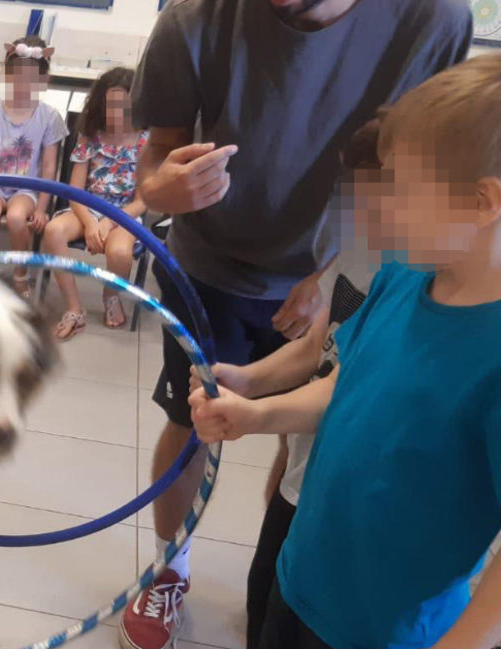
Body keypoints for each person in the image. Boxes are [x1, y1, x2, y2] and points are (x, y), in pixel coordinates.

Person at [120, 0, 472, 646]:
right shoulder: (194, 17)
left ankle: (281, 574)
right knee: (191, 424)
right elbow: (155, 159)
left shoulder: (435, 20)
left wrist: (340, 268)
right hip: (210, 270)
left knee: (306, 452)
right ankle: (173, 568)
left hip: (351, 266)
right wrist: (161, 190)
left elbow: (419, 170)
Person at [189, 54, 501, 649]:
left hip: (384, 632)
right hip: (302, 573)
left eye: (403, 190)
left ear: (482, 203)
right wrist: (256, 414)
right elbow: (344, 382)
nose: (381, 209)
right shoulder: (402, 276)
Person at [188, 112, 387, 649]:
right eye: (351, 190)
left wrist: (256, 416)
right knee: (266, 599)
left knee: (307, 625)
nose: (352, 206)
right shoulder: (360, 253)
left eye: (374, 194)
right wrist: (247, 380)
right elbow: (315, 349)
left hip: (354, 496)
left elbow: (354, 384)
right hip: (305, 475)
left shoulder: (410, 283)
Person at [0, 36, 67, 297]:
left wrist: (42, 207)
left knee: (18, 217)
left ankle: (21, 273)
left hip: (26, 190)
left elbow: (50, 166)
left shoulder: (49, 117)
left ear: (43, 82)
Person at [41, 67, 147, 335]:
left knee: (120, 252)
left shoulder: (146, 141)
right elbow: (75, 190)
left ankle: (111, 295)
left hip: (126, 212)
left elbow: (143, 200)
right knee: (53, 231)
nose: (116, 113)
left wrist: (110, 222)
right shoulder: (90, 135)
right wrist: (90, 223)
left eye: (123, 106)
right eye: (110, 105)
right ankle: (74, 307)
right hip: (87, 206)